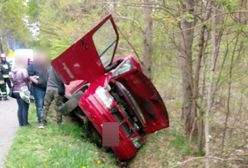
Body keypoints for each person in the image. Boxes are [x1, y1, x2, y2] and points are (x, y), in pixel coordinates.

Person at [28, 51, 49, 128]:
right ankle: (41, 122)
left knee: (44, 105)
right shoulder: (32, 66)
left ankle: (44, 120)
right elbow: (29, 76)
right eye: (42, 58)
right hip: (38, 89)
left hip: (46, 88)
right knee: (39, 105)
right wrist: (37, 82)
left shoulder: (46, 65)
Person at [11, 54, 30, 126]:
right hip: (22, 90)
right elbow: (26, 78)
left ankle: (21, 123)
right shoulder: (23, 70)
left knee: (20, 107)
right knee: (25, 107)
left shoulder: (12, 71)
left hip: (15, 90)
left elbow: (11, 80)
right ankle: (25, 124)